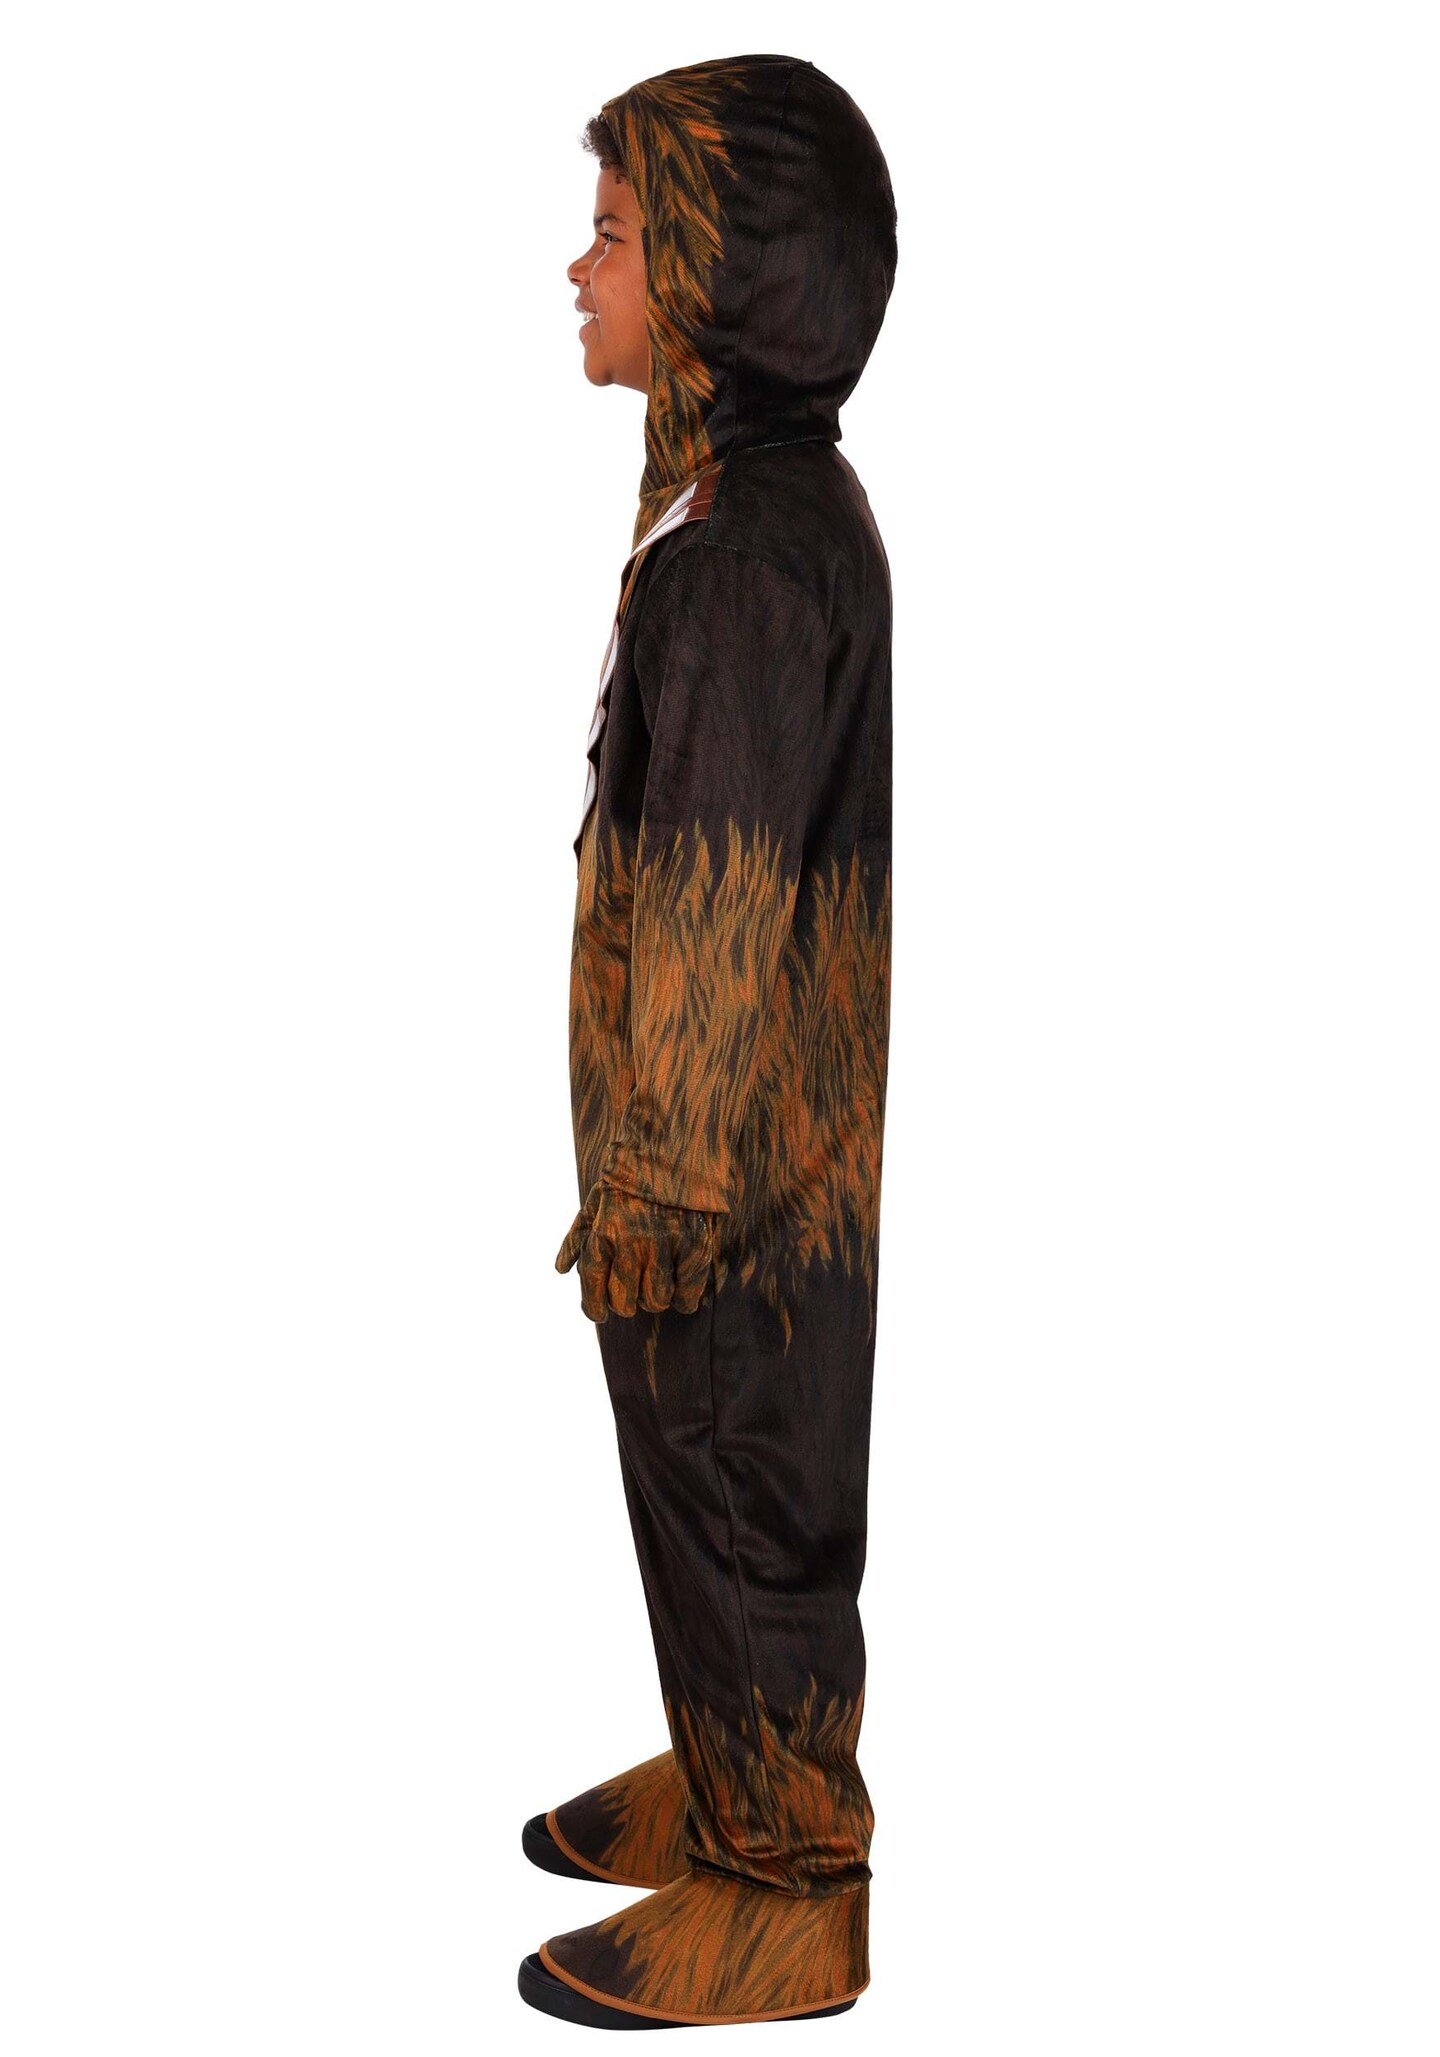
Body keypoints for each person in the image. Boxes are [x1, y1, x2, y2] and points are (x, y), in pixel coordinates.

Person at [517, 53, 898, 2030]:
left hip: (727, 1177)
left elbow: (726, 886)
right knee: (702, 1472)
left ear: (718, 276)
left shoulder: (747, 553)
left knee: (743, 1472)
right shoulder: (727, 511)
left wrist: (660, 1180)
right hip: (720, 1158)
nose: (575, 269)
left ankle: (791, 1877)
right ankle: (735, 1762)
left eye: (612, 233)